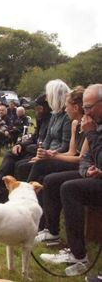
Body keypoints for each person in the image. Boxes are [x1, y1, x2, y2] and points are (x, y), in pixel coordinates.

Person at [39, 84, 102, 277]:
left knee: (69, 188)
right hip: (96, 176)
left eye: (89, 107)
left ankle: (78, 256)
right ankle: (51, 231)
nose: (86, 111)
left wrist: (90, 133)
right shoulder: (95, 123)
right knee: (52, 180)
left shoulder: (92, 126)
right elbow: (85, 158)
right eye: (85, 107)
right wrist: (86, 171)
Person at [0, 93, 52, 201]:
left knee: (20, 164)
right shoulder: (41, 119)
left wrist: (29, 147)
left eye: (39, 108)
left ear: (46, 108)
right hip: (32, 148)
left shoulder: (51, 120)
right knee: (11, 153)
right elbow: (34, 136)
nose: (36, 111)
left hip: (40, 151)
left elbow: (45, 142)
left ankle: (2, 194)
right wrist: (20, 144)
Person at [14, 79, 72, 181]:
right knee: (20, 164)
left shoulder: (67, 117)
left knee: (23, 167)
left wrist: (46, 155)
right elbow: (48, 138)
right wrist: (40, 153)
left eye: (48, 94)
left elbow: (65, 146)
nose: (46, 98)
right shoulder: (54, 115)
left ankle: (28, 194)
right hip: (47, 153)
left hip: (58, 155)